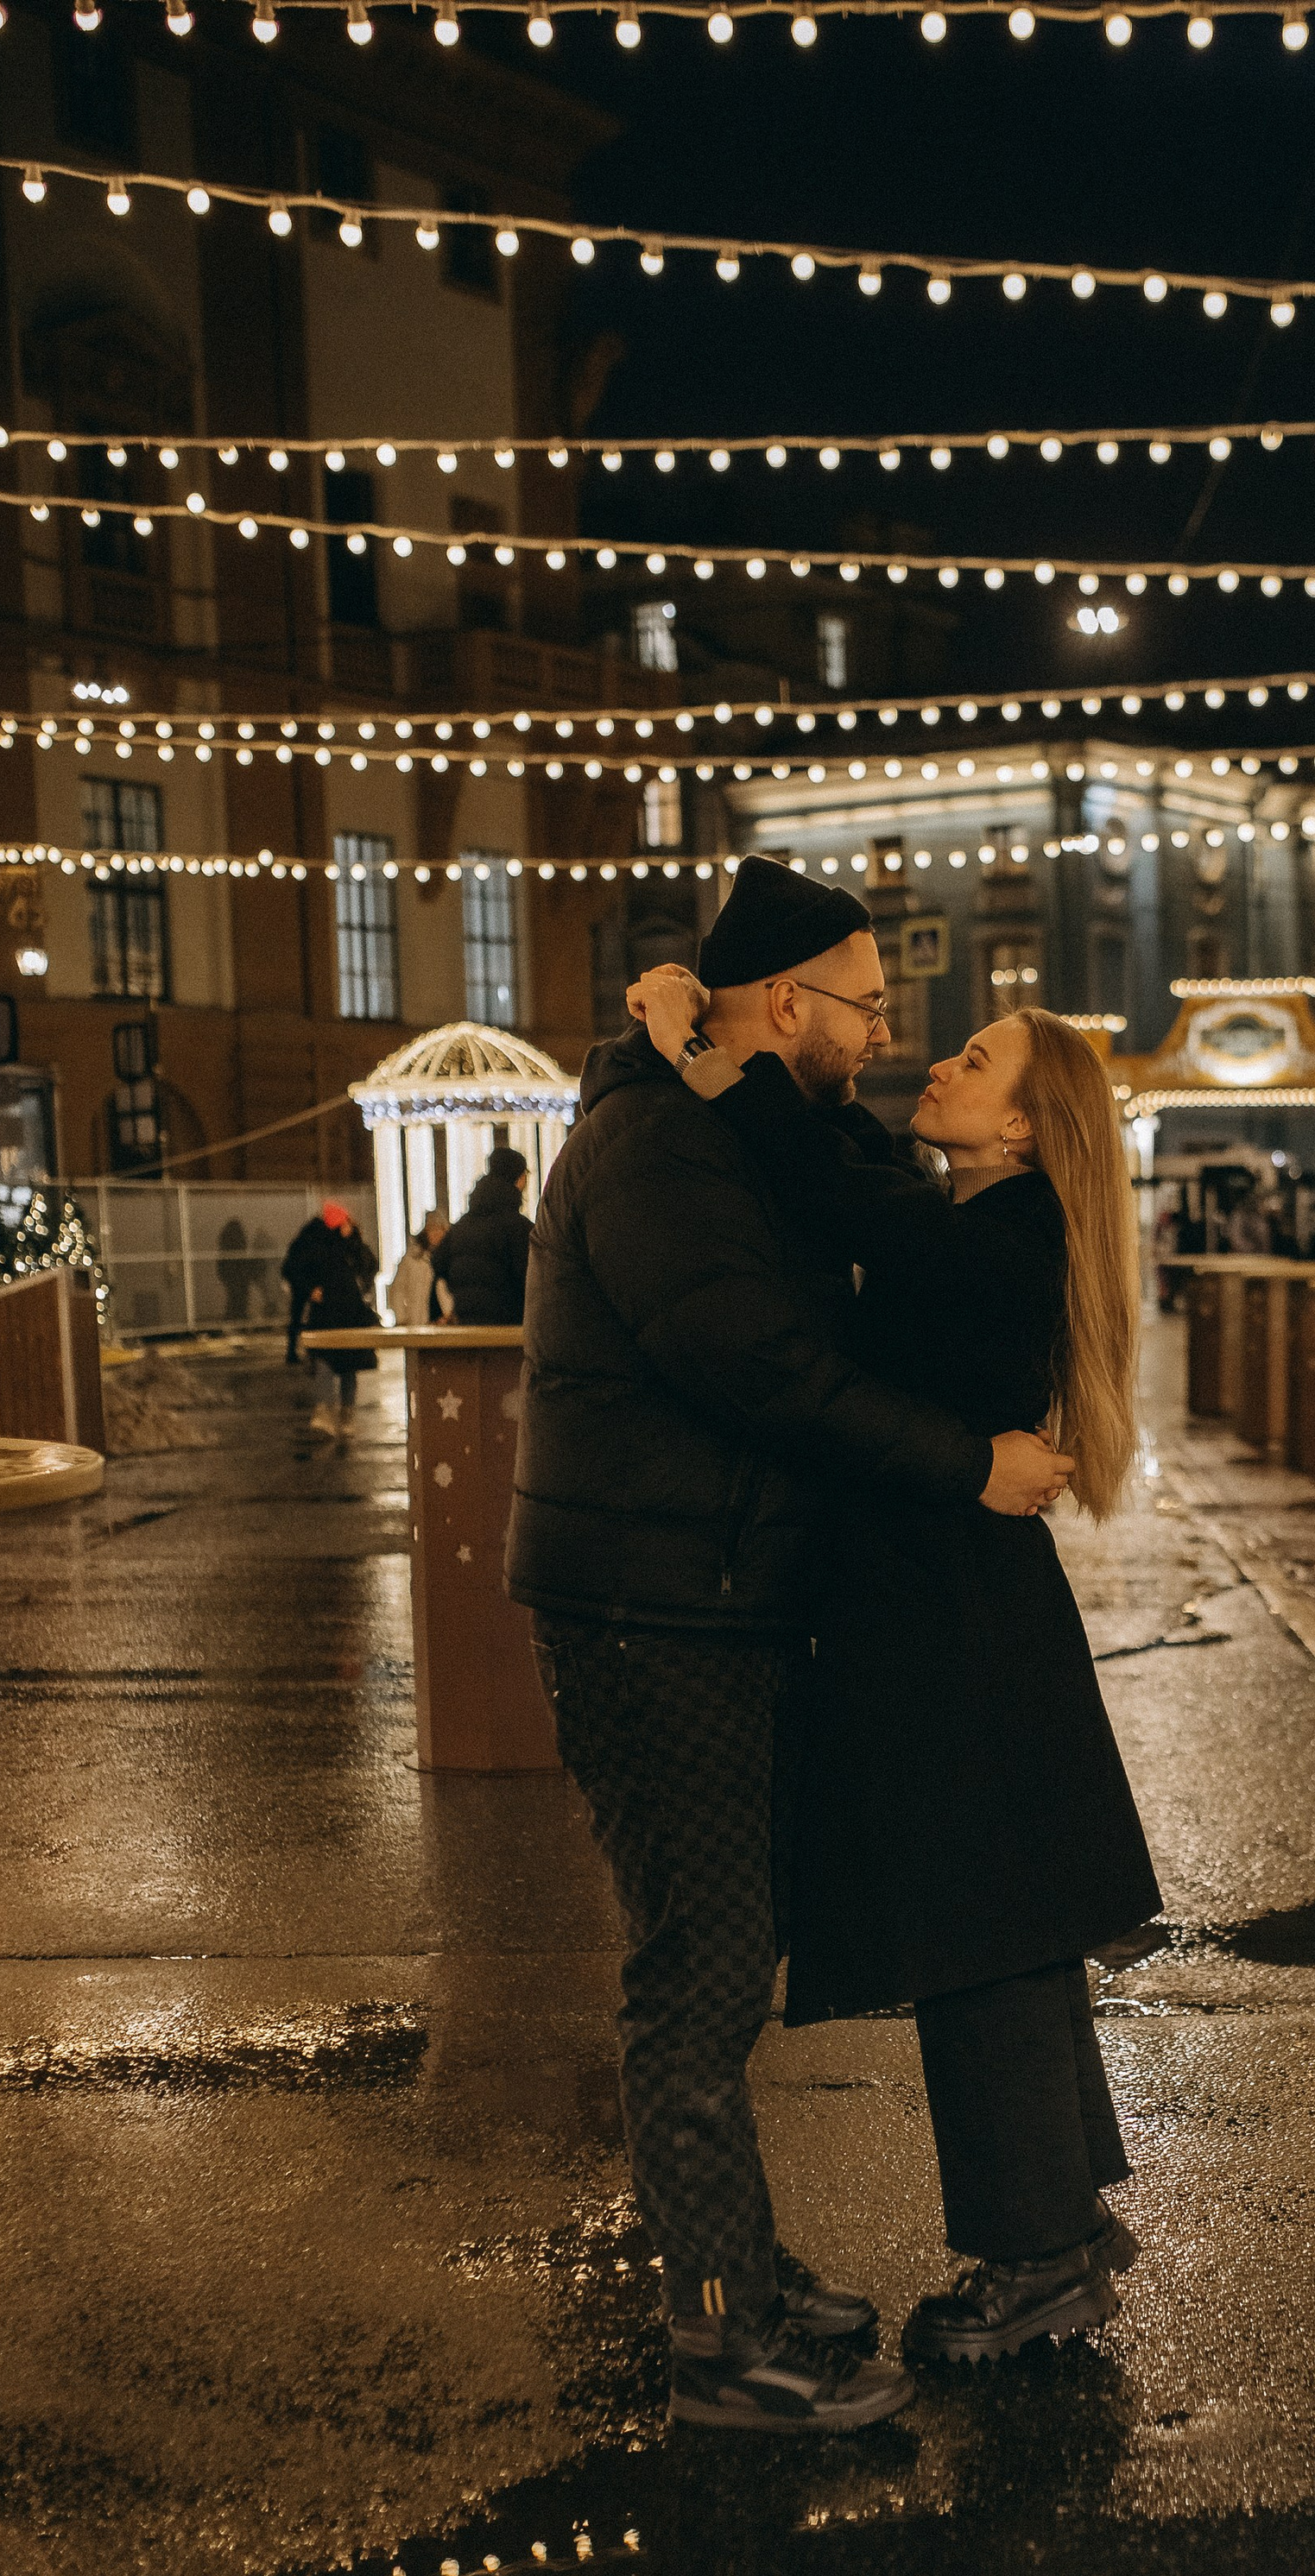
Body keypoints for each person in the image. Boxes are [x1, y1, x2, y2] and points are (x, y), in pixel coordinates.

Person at [505, 856, 1073, 2435]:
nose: (886, 1037)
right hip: (649, 1602)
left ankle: (736, 2274)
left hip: (713, 1587)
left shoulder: (724, 1119)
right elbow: (758, 1364)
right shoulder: (654, 1150)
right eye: (867, 1007)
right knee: (692, 1973)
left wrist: (709, 1044)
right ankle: (718, 2336)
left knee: (718, 1955)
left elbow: (846, 1189)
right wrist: (962, 1463)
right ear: (783, 1005)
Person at [634, 971, 1160, 2366]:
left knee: (980, 1940)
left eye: (973, 1063)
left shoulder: (992, 1238)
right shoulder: (994, 1219)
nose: (936, 1065)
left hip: (953, 1627)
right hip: (971, 1615)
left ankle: (1038, 2257)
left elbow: (838, 1196)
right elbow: (867, 1178)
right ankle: (1067, 2222)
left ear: (1028, 1127)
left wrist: (720, 1062)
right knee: (1014, 1930)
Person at [280, 1201, 379, 1432]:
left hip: (350, 1312)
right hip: (327, 1314)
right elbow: (294, 1269)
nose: (348, 1225)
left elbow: (369, 1265)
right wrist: (309, 1289)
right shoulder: (316, 1244)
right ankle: (325, 1412)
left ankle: (346, 1414)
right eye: (344, 1221)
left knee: (348, 1365)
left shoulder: (352, 1246)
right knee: (326, 1362)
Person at [431, 1147, 533, 1324]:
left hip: (467, 1323)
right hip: (509, 1328)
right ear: (520, 1179)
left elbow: (438, 1262)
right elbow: (531, 1278)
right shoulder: (519, 1228)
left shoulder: (461, 1227)